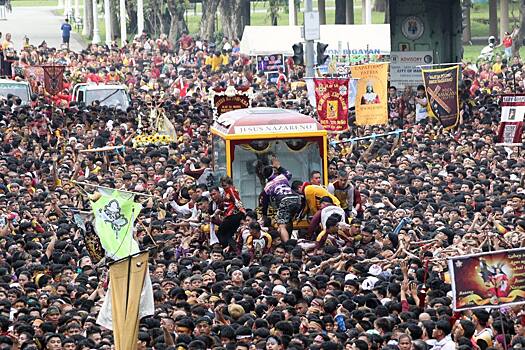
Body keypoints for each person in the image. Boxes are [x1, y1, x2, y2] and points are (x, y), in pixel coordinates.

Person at [261, 157, 302, 242]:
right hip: (297, 199)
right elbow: (289, 173)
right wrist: (279, 166)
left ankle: (287, 245)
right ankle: (289, 238)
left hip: (284, 201)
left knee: (282, 226)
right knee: (288, 220)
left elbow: (265, 204)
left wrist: (264, 215)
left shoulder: (267, 187)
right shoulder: (282, 177)